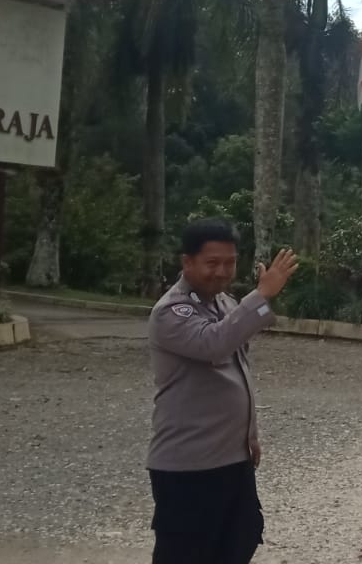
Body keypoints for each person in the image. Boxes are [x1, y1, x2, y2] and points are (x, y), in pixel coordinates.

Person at [148, 219, 299, 564]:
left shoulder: (225, 304)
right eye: (212, 263)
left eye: (229, 263)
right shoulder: (171, 311)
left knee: (241, 537)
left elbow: (238, 370)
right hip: (188, 464)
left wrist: (250, 435)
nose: (221, 272)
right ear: (187, 262)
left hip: (232, 457)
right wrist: (262, 295)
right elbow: (213, 344)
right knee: (185, 553)